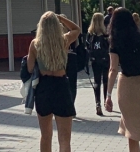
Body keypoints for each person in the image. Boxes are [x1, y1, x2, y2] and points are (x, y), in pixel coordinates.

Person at [105, 7, 140, 152]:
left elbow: (113, 69)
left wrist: (108, 95)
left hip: (126, 88)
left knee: (131, 133)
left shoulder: (115, 42)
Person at [27, 11, 81, 152]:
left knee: (45, 136)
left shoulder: (35, 44)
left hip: (43, 88)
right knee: (64, 139)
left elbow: (30, 68)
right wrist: (61, 18)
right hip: (61, 86)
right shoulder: (64, 40)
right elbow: (77, 29)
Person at [85, 12, 110, 116]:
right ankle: (106, 101)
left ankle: (97, 103)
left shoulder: (90, 34)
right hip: (105, 59)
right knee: (105, 80)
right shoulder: (105, 34)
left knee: (97, 81)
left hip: (95, 60)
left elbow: (87, 47)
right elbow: (109, 46)